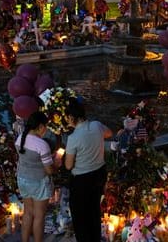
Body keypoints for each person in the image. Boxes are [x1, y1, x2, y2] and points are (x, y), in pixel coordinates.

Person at [64, 97, 113, 242]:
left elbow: (68, 165)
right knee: (93, 211)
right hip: (99, 175)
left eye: (67, 118)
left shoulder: (73, 138)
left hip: (82, 180)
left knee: (80, 217)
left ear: (72, 117)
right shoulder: (97, 125)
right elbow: (109, 133)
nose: (67, 121)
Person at [15, 112, 58, 242]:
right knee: (39, 216)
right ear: (40, 126)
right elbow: (49, 170)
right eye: (45, 126)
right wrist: (57, 163)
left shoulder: (20, 138)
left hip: (23, 179)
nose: (46, 129)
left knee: (28, 212)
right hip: (38, 182)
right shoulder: (42, 145)